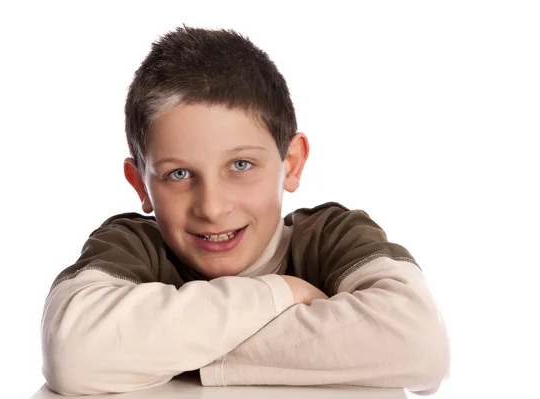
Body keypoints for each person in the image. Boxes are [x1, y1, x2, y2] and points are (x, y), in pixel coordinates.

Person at [41, 26, 450, 396]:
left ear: (291, 163)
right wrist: (282, 293)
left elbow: (421, 345)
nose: (213, 208)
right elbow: (72, 353)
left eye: (240, 165)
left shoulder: (333, 235)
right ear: (140, 185)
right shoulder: (132, 245)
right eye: (179, 173)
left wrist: (168, 350)